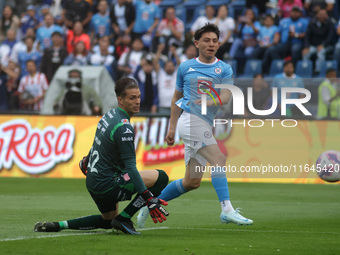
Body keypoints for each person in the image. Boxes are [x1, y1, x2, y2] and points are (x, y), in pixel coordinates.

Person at [137, 23, 253, 228]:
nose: (211, 44)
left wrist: (210, 100)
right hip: (190, 120)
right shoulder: (185, 67)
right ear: (197, 43)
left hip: (204, 124)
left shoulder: (224, 68)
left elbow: (226, 95)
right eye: (207, 40)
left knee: (192, 182)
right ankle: (227, 210)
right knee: (218, 159)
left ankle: (149, 204)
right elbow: (176, 97)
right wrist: (171, 128)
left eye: (215, 41)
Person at [34, 77, 169, 235]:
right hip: (108, 184)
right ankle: (124, 218)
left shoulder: (109, 115)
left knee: (107, 221)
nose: (137, 101)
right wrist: (148, 198)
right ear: (120, 100)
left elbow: (98, 143)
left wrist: (87, 160)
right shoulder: (124, 128)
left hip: (93, 182)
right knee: (161, 177)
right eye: (132, 98)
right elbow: (131, 168)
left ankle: (57, 225)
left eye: (138, 97)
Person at [264, 6, 308, 73]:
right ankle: (280, 67)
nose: (295, 13)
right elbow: (278, 32)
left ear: (299, 13)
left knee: (295, 49)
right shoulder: (284, 21)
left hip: (297, 42)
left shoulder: (304, 22)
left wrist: (296, 35)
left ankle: (292, 69)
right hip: (284, 43)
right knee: (272, 49)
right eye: (293, 12)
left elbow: (306, 34)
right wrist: (275, 40)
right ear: (290, 12)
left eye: (296, 12)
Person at [302, 9, 335, 74]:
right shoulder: (312, 23)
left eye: (324, 14)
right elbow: (307, 36)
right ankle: (306, 71)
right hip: (313, 45)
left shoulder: (330, 23)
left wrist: (323, 45)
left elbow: (330, 37)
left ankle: (318, 71)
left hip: (326, 45)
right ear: (317, 15)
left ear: (327, 15)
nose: (322, 16)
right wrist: (306, 46)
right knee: (306, 53)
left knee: (321, 53)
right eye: (321, 14)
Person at [153, 43, 178, 115]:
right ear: (164, 67)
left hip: (175, 106)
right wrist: (159, 50)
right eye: (168, 66)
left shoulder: (176, 74)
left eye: (171, 66)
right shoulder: (161, 74)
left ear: (174, 67)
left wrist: (174, 53)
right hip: (162, 106)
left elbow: (180, 64)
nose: (170, 67)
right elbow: (155, 62)